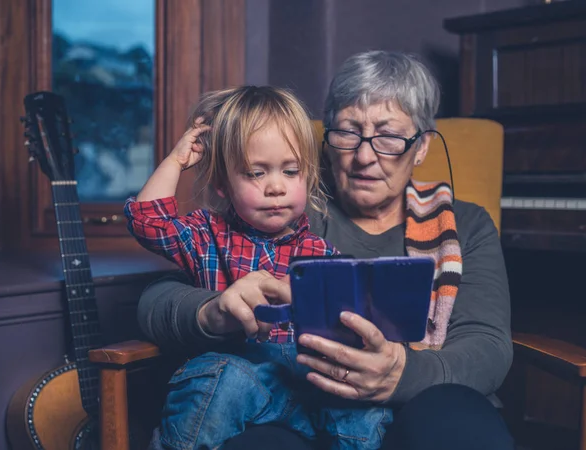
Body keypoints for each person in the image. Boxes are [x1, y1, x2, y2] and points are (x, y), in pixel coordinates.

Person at [138, 51, 515, 450]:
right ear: (327, 140)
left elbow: (487, 345)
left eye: (388, 137)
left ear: (420, 147)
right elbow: (155, 300)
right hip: (303, 404)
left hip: (425, 397)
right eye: (348, 133)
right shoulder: (286, 210)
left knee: (458, 429)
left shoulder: (465, 224)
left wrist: (402, 373)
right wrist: (213, 310)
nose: (365, 156)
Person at [125, 85, 393, 449]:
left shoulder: (322, 253)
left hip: (305, 384)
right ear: (222, 183)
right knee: (221, 379)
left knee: (364, 407)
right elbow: (149, 222)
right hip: (238, 380)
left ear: (308, 175)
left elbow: (350, 331)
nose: (276, 187)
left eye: (290, 171)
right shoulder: (207, 234)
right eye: (256, 173)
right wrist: (176, 161)